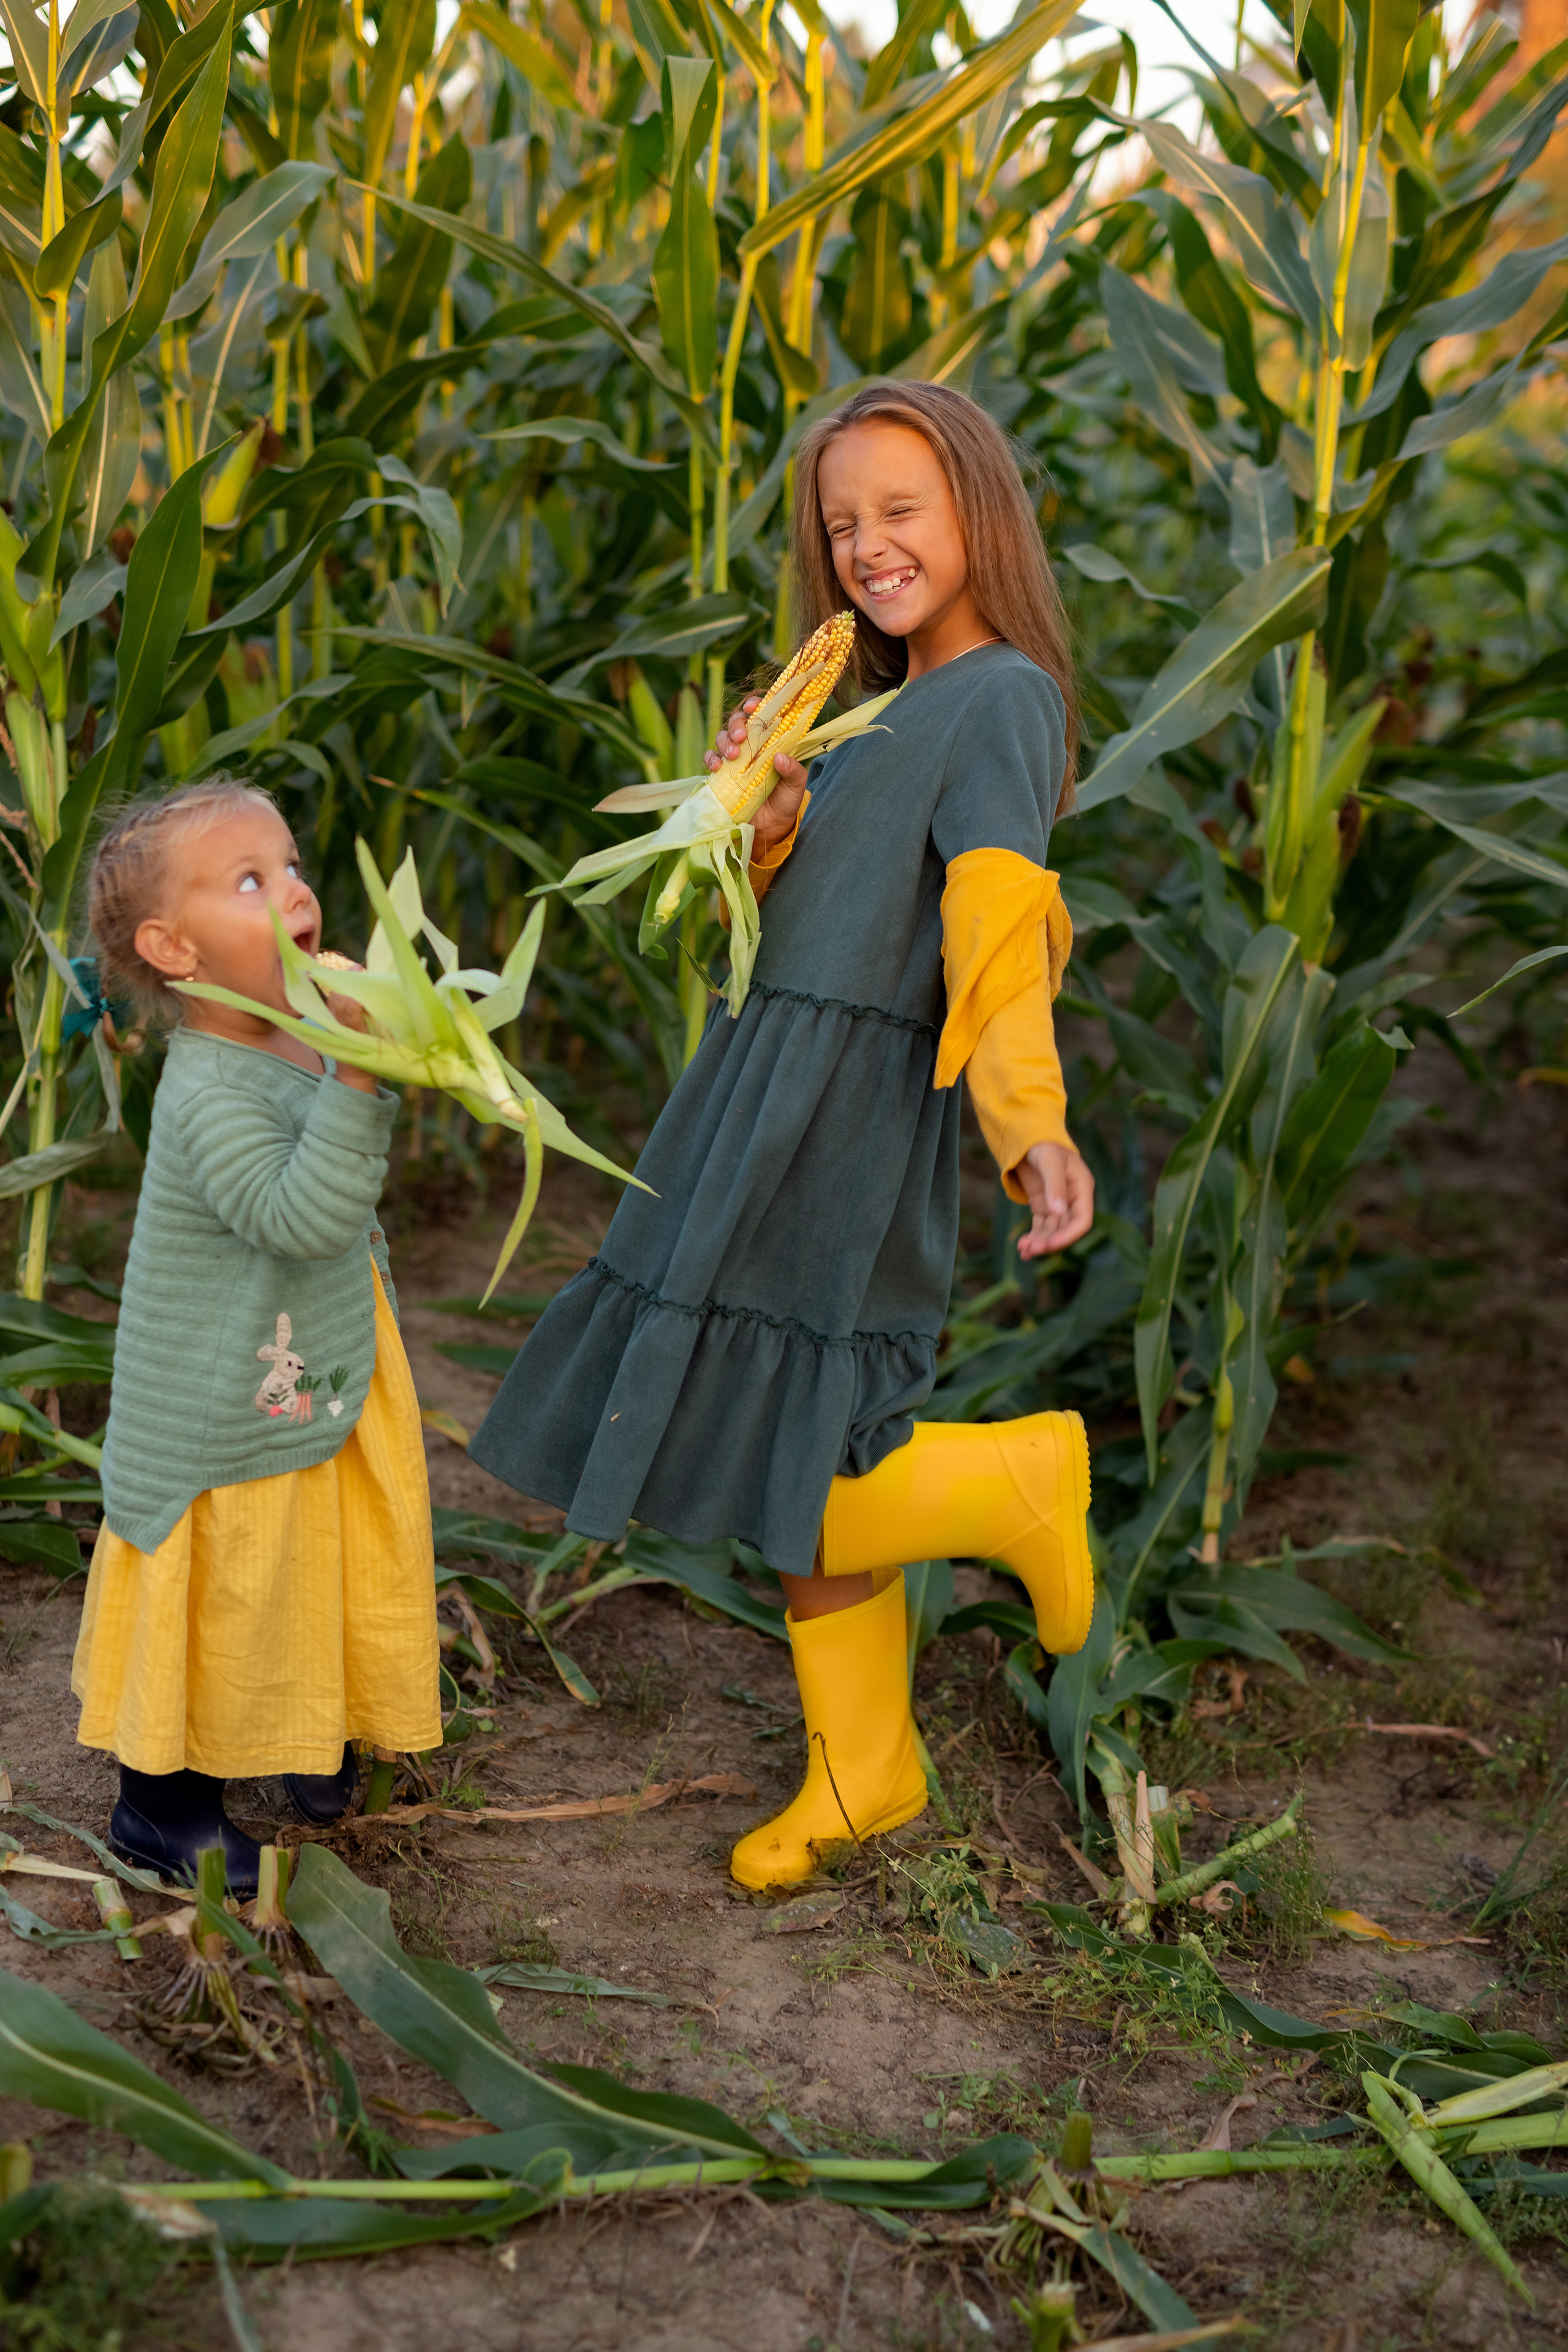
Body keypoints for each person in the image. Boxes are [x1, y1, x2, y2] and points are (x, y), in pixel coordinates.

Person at [471, 382, 1096, 1889]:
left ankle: (1011, 1487)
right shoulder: (862, 704)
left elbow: (995, 921)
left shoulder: (998, 693)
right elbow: (744, 945)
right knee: (779, 1402)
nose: (867, 546)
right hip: (762, 1081)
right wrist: (756, 821)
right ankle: (864, 1766)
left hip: (845, 1113)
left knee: (782, 1428)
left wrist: (1029, 1123)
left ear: (976, 516)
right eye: (840, 525)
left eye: (900, 511)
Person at [71, 779, 441, 1898]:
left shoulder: (304, 1033)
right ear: (173, 950)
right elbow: (302, 1215)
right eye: (249, 880)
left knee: (317, 1550)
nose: (292, 891)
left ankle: (309, 1734)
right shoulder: (204, 1089)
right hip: (225, 1403)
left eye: (289, 866)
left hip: (317, 1361)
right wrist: (367, 1075)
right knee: (236, 1575)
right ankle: (161, 1806)